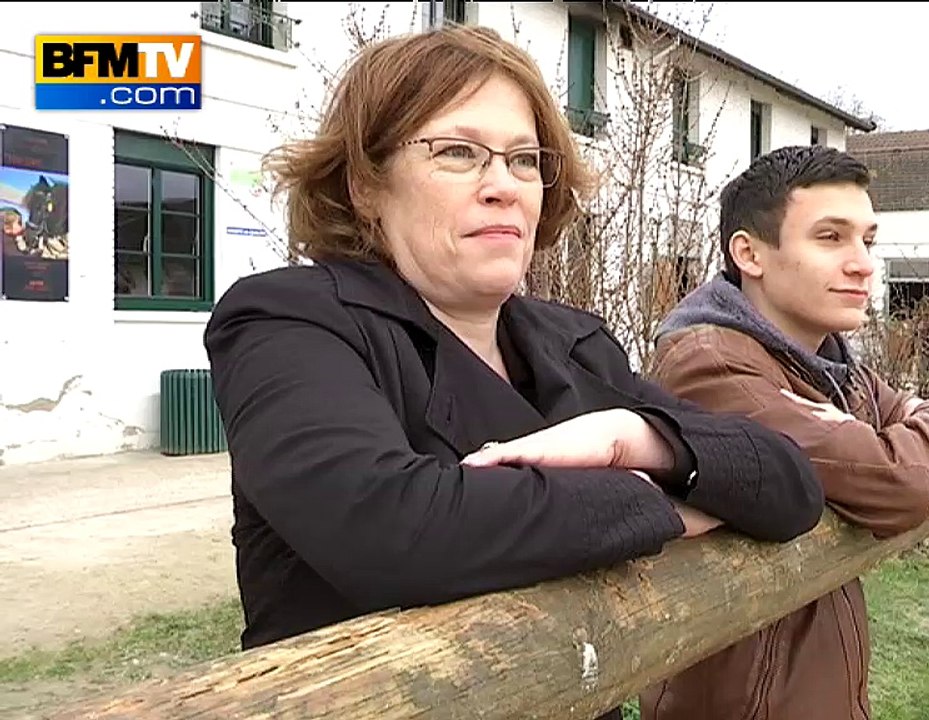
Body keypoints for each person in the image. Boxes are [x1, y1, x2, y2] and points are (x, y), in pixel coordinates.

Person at [201, 25, 826, 714]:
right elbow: (393, 532)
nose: (503, 185)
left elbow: (790, 483)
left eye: (524, 160)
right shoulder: (289, 320)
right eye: (459, 152)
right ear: (365, 186)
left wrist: (632, 437)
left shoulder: (571, 340)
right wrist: (660, 503)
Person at [640, 145, 929, 720]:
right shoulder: (712, 367)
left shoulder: (830, 366)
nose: (863, 264)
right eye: (830, 238)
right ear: (749, 254)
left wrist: (927, 437)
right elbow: (906, 485)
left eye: (867, 240)